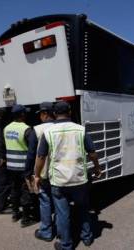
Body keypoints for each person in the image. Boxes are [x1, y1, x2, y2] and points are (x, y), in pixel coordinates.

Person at [35, 101, 102, 250]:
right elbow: (92, 153)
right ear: (70, 111)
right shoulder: (80, 130)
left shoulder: (48, 133)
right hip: (79, 178)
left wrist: (37, 175)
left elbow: (40, 157)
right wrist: (97, 168)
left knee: (62, 214)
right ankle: (87, 237)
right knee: (84, 208)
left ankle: (66, 245)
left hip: (59, 181)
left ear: (54, 114)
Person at [25, 102, 56, 242]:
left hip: (43, 174)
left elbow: (32, 154)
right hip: (60, 174)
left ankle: (46, 231)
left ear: (44, 114)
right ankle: (62, 231)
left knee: (45, 201)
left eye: (40, 115)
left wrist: (28, 172)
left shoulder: (36, 130)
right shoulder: (62, 127)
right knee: (60, 202)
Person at [4, 104, 36, 227]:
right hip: (23, 166)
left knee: (14, 189)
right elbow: (32, 150)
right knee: (25, 191)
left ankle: (15, 213)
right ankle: (26, 218)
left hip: (11, 166)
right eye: (25, 113)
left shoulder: (6, 128)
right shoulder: (27, 129)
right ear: (22, 114)